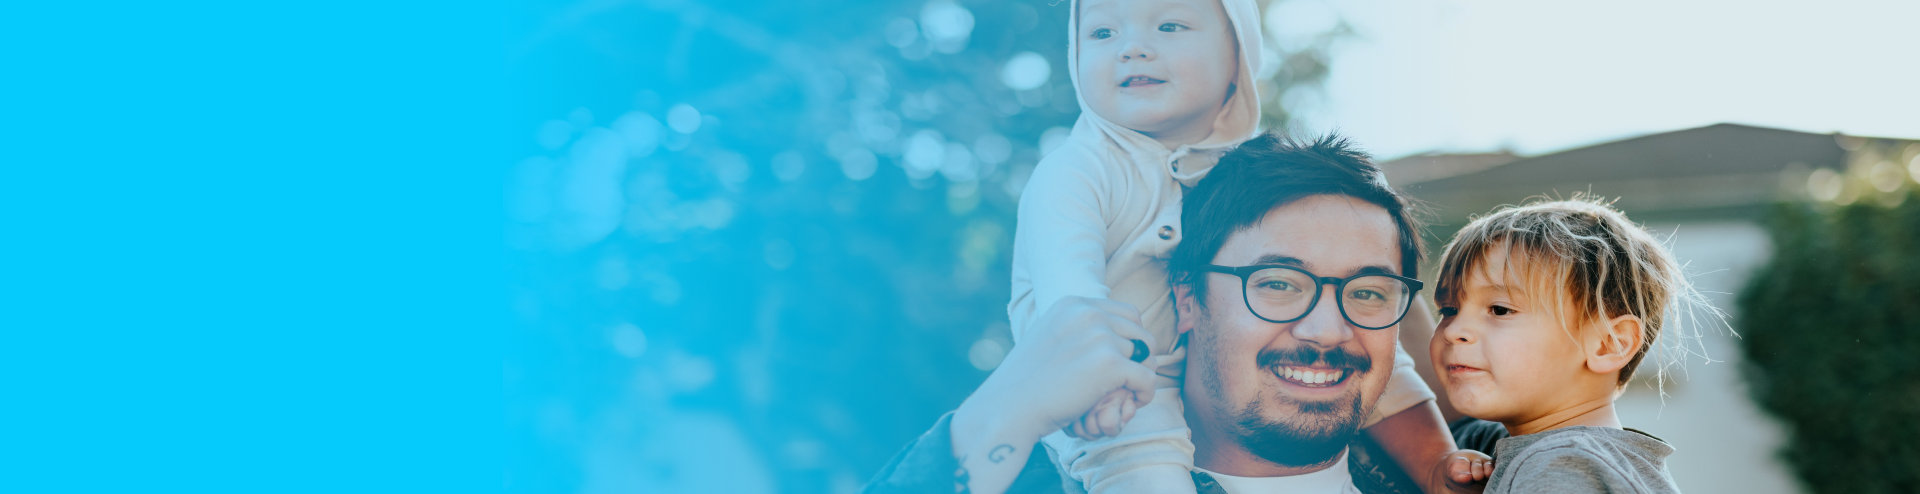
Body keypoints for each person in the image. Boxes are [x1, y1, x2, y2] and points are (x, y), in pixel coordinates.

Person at [1007, 0, 1465, 491]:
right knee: (1140, 458)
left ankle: (1439, 464)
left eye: (1168, 26)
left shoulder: (1251, 175)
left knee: (1370, 347)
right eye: (1101, 34)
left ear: (1238, 59)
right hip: (1116, 391)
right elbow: (1068, 301)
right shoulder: (1076, 172)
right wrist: (1095, 381)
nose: (1132, 49)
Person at [869, 133, 1489, 494]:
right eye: (1276, 284)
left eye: (1369, 293)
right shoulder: (1052, 484)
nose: (1327, 331)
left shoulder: (1501, 470)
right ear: (1187, 298)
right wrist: (1001, 410)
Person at [1429, 197, 1710, 492]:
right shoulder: (1555, 453)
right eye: (1448, 310)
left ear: (1608, 344)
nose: (1454, 330)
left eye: (1500, 309)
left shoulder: (1561, 469)